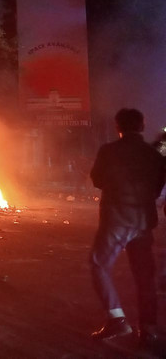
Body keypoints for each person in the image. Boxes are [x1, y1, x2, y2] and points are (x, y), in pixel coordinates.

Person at [89, 108, 165, 345]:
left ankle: (117, 320)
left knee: (99, 263)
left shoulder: (109, 151)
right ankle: (149, 329)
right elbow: (157, 188)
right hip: (143, 222)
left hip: (116, 220)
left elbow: (97, 180)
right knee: (145, 277)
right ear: (142, 126)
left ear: (117, 127)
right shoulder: (154, 156)